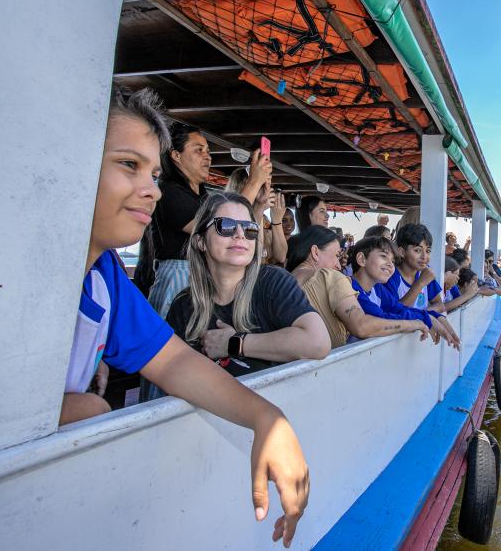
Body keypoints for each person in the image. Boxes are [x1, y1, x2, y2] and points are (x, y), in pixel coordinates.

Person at [65, 87, 308, 546]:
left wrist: (266, 418)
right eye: (128, 165)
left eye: (154, 174)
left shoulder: (105, 275)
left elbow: (173, 361)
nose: (151, 189)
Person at [160, 191, 330, 384]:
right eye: (226, 226)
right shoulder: (184, 305)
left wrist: (234, 343)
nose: (240, 234)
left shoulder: (272, 282)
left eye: (250, 229)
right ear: (200, 241)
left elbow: (318, 343)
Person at [147, 122, 272, 320]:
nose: (208, 156)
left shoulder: (203, 197)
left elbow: (241, 226)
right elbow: (220, 225)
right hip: (179, 277)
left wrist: (258, 206)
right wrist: (254, 181)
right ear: (176, 155)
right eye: (199, 150)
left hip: (204, 276)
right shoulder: (168, 192)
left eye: (208, 150)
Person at [286, 227, 429, 348]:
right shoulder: (330, 277)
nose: (338, 265)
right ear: (315, 252)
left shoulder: (285, 280)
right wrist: (411, 324)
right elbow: (361, 326)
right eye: (336, 255)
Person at [348, 236, 453, 345]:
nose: (390, 265)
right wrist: (422, 319)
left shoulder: (377, 288)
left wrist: (432, 316)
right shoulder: (352, 288)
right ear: (361, 259)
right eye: (383, 256)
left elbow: (398, 308)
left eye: (392, 261)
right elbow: (381, 317)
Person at [388, 223, 461, 348]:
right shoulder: (392, 276)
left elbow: (439, 305)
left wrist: (424, 315)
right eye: (417, 250)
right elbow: (397, 310)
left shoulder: (425, 273)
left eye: (428, 251)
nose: (424, 257)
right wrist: (420, 283)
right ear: (401, 251)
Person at [225, 167, 287, 265]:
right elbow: (257, 256)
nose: (266, 191)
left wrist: (277, 220)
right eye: (260, 187)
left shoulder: (264, 219)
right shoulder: (229, 217)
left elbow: (281, 256)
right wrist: (260, 207)